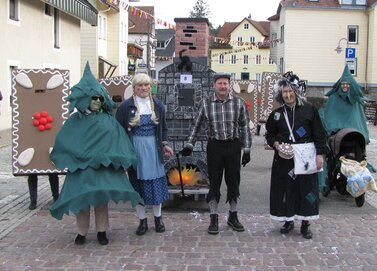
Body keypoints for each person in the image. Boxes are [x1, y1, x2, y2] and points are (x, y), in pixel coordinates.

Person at [49, 63, 142, 246]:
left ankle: (101, 231)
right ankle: (81, 232)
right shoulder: (75, 121)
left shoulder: (108, 120)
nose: (97, 101)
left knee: (101, 201)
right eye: (94, 98)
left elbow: (118, 140)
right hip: (81, 168)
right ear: (85, 99)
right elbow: (66, 140)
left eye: (100, 98)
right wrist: (76, 155)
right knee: (82, 200)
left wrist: (113, 156)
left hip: (102, 167)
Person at [181, 72, 252, 235]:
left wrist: (246, 149)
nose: (222, 86)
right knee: (214, 182)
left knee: (233, 182)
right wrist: (190, 144)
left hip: (233, 146)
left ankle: (233, 216)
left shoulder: (238, 103)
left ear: (229, 85)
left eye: (225, 83)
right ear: (214, 86)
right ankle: (213, 217)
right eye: (219, 83)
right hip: (215, 147)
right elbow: (196, 125)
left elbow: (244, 128)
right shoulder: (206, 103)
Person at [265, 71, 326, 239]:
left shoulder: (309, 110)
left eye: (290, 91)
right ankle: (288, 220)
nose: (288, 94)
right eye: (284, 92)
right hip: (284, 160)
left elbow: (320, 134)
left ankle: (305, 223)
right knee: (286, 189)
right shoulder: (277, 114)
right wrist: (277, 144)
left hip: (305, 158)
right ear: (281, 94)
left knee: (306, 189)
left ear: (296, 92)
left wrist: (319, 155)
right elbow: (269, 135)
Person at [116, 73, 174, 236]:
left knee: (155, 185)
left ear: (150, 87)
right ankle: (142, 221)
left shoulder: (158, 105)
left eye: (146, 85)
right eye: (139, 85)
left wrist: (165, 144)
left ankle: (158, 218)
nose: (143, 88)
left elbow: (163, 129)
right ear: (134, 88)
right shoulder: (125, 107)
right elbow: (118, 132)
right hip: (135, 150)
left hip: (153, 150)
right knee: (137, 186)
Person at [323, 65, 370, 143]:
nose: (345, 86)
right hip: (336, 131)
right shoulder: (333, 98)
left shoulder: (356, 99)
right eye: (343, 84)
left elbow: (358, 118)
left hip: (354, 132)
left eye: (347, 84)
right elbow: (330, 116)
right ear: (340, 85)